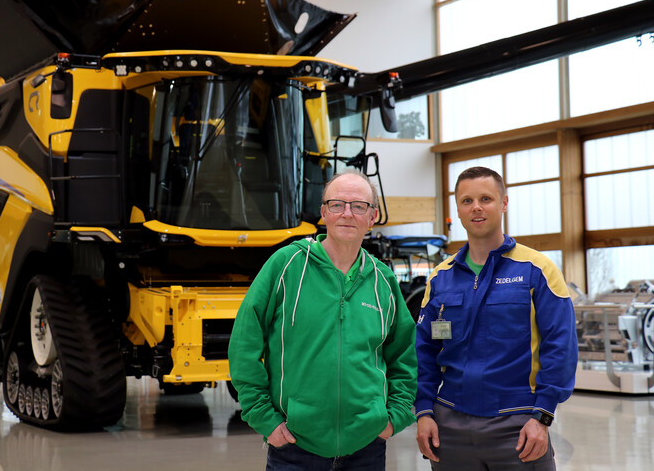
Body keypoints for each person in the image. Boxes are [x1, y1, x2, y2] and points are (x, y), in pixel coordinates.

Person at [228, 170, 417, 470]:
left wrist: (394, 417)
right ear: (323, 213)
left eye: (358, 206)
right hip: (294, 446)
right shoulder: (286, 265)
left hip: (366, 448)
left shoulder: (383, 280)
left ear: (372, 217)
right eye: (337, 204)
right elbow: (244, 344)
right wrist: (265, 418)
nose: (347, 213)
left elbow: (404, 356)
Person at [414, 166, 578, 470]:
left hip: (519, 427)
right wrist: (424, 411)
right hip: (450, 428)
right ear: (458, 210)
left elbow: (561, 347)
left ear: (503, 203)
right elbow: (424, 351)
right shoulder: (440, 278)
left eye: (486, 198)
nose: (476, 207)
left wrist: (542, 416)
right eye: (467, 201)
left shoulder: (537, 270)